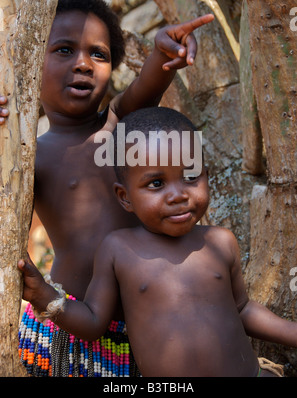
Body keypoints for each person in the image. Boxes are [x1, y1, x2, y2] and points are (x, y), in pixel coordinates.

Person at [1, 0, 214, 377]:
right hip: (68, 324)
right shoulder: (26, 154)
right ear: (29, 61)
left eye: (98, 54)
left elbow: (145, 88)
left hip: (148, 331)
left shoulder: (118, 128)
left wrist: (162, 54)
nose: (83, 63)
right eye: (64, 50)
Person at [19, 107, 295, 377]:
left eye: (190, 177)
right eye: (156, 184)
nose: (178, 195)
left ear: (206, 176)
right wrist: (43, 295)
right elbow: (93, 322)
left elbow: (243, 309)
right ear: (125, 197)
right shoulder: (119, 250)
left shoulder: (220, 242)